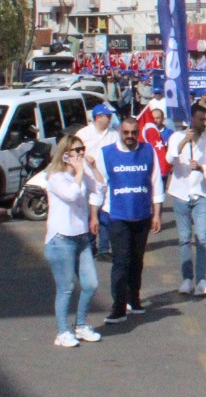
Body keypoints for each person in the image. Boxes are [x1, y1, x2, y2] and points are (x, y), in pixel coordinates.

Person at [94, 115, 163, 325]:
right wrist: (93, 215)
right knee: (121, 262)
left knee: (137, 260)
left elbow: (156, 182)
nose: (130, 136)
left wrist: (157, 214)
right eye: (126, 133)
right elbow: (99, 186)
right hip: (117, 215)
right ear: (119, 132)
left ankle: (134, 299)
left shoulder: (148, 151)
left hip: (142, 214)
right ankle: (118, 307)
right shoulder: (106, 154)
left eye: (133, 132)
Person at [44, 133, 104, 348]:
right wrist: (79, 173)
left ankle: (80, 325)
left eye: (82, 149)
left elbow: (100, 189)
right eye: (76, 150)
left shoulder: (81, 173)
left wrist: (93, 168)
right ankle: (62, 331)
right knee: (66, 287)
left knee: (91, 284)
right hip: (61, 239)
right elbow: (71, 195)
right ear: (65, 154)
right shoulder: (56, 177)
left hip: (81, 237)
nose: (80, 153)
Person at [167, 105, 206, 297]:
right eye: (200, 119)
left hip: (201, 193)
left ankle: (201, 279)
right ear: (191, 119)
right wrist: (183, 142)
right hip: (180, 192)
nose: (204, 123)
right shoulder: (176, 136)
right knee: (184, 238)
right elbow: (170, 159)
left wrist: (201, 167)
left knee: (202, 237)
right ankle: (187, 279)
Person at [77, 103, 120, 258]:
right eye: (106, 116)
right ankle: (89, 245)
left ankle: (103, 248)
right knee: (89, 214)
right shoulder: (83, 134)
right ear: (98, 117)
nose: (109, 119)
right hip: (87, 179)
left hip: (106, 180)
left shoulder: (113, 135)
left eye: (110, 116)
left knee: (105, 215)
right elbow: (74, 152)